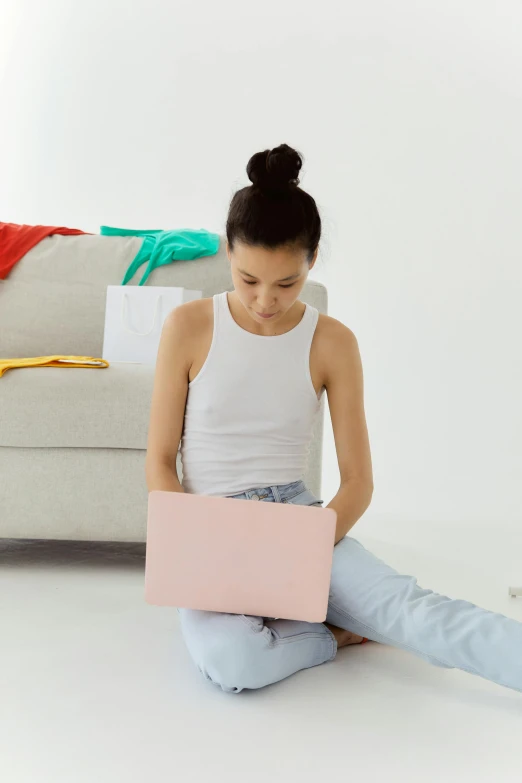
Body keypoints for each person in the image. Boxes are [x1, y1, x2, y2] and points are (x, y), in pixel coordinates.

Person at [145, 143, 522, 695]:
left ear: (312, 261)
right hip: (213, 527)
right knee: (232, 661)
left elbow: (358, 481)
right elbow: (158, 459)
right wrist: (193, 545)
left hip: (300, 520)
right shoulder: (186, 327)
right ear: (228, 251)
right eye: (249, 280)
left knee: (417, 614)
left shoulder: (333, 342)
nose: (265, 300)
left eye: (286, 283)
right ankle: (330, 634)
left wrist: (302, 548)